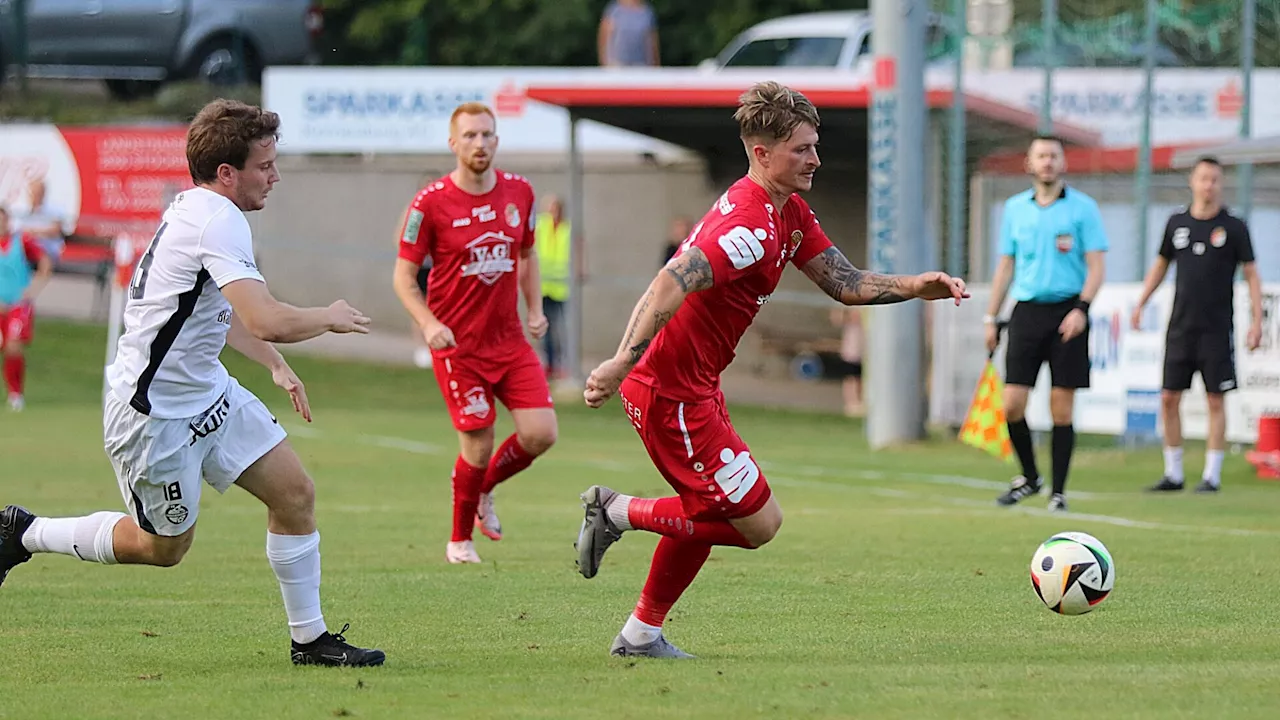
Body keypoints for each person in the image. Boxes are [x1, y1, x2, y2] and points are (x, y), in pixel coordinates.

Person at [572, 81, 968, 658]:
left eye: (814, 145)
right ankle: (617, 512)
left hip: (696, 390)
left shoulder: (788, 212)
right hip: (668, 393)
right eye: (802, 149)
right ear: (762, 154)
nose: (815, 158)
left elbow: (844, 282)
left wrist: (916, 286)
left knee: (713, 509)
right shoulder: (751, 230)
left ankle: (640, 634)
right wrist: (619, 361)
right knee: (755, 523)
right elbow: (672, 280)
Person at [0, 99, 385, 668]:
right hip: (154, 416)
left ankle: (310, 640)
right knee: (163, 548)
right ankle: (23, 533)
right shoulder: (217, 219)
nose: (274, 177)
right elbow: (264, 316)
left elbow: (215, 315)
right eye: (265, 166)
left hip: (207, 391)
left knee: (295, 494)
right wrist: (325, 315)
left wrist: (274, 363)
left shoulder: (201, 210)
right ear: (227, 173)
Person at [392, 102, 558, 564]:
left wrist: (535, 308)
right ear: (453, 144)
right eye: (469, 136)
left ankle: (482, 489)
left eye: (486, 135)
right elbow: (403, 279)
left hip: (509, 342)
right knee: (479, 441)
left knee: (542, 433)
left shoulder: (519, 192)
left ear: (497, 140)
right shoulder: (430, 204)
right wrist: (429, 323)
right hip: (458, 347)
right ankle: (460, 542)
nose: (479, 144)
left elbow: (527, 254)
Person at [985, 135, 1108, 513]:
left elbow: (1097, 266)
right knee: (1012, 405)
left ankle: (1058, 492)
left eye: (1054, 156)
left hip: (1067, 311)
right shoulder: (1015, 209)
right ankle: (1030, 477)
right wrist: (992, 317)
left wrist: (1082, 309)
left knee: (1061, 408)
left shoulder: (1083, 209)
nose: (1047, 162)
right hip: (1026, 311)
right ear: (1029, 164)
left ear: (1063, 163)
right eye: (1041, 156)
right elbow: (1006, 265)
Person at [1132, 156, 1262, 493]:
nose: (1209, 185)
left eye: (1215, 179)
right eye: (1203, 178)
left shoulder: (1234, 227)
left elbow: (1251, 273)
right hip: (1180, 328)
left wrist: (1257, 320)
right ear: (1192, 181)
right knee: (1168, 397)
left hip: (1216, 329)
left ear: (1221, 184)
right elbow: (1161, 265)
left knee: (1216, 399)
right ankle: (1173, 473)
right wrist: (1141, 301)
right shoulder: (1176, 223)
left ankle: (1212, 476)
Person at [0, 205, 54, 411]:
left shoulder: (21, 241)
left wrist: (33, 289)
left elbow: (45, 262)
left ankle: (16, 394)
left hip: (17, 305)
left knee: (13, 347)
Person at [535, 194, 570, 380]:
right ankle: (550, 364)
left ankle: (565, 364)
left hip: (563, 285)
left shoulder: (567, 229)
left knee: (565, 328)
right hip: (545, 285)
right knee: (546, 329)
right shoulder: (540, 226)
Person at [13, 178, 73, 264]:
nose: (35, 196)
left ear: (44, 192)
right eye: (33, 192)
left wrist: (33, 232)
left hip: (47, 251)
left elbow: (55, 230)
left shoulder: (55, 209)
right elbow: (16, 230)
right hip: (25, 251)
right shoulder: (21, 209)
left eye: (38, 192)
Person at [598, 0, 660, 67]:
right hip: (616, 66)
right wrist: (604, 63)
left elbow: (653, 42)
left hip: (641, 66)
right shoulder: (613, 10)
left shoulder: (647, 12)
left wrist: (655, 65)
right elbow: (603, 38)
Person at [829, 306, 864, 417]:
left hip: (865, 348)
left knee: (861, 377)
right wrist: (848, 316)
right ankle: (852, 403)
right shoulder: (850, 304)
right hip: (853, 349)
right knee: (851, 377)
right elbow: (836, 318)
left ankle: (860, 402)